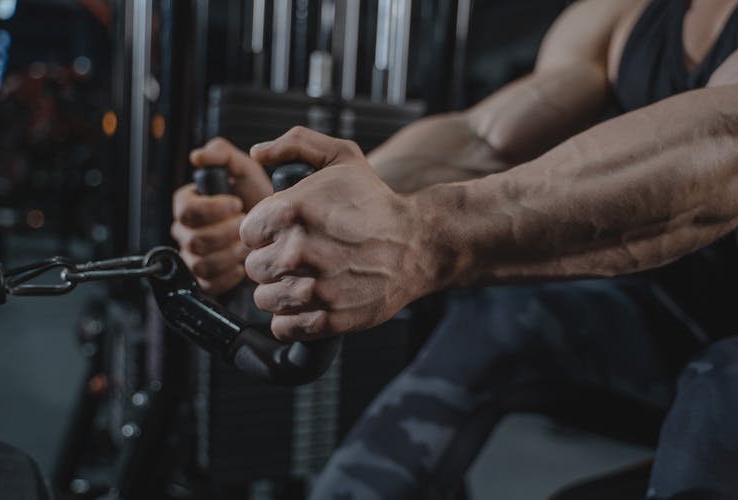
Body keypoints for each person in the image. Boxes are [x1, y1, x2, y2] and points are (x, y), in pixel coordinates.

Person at [172, 0, 738, 498]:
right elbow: (484, 139)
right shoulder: (622, 14)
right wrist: (299, 212)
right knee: (497, 325)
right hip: (679, 318)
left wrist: (424, 238)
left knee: (718, 393)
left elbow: (722, 144)